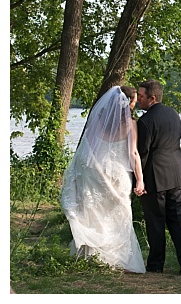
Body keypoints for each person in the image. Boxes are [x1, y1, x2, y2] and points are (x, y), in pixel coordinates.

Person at [60, 80, 146, 274]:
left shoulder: (98, 120)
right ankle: (117, 258)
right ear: (128, 103)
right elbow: (133, 154)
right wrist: (140, 180)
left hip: (96, 172)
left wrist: (84, 173)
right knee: (120, 214)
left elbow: (87, 150)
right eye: (133, 102)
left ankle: (93, 256)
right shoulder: (131, 124)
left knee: (94, 213)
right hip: (118, 174)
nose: (134, 105)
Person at [135, 80, 181, 278]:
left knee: (156, 220)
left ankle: (156, 264)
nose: (138, 99)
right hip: (176, 172)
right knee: (177, 218)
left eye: (141, 96)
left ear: (152, 98)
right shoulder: (174, 114)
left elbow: (142, 152)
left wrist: (137, 177)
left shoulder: (146, 121)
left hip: (154, 176)